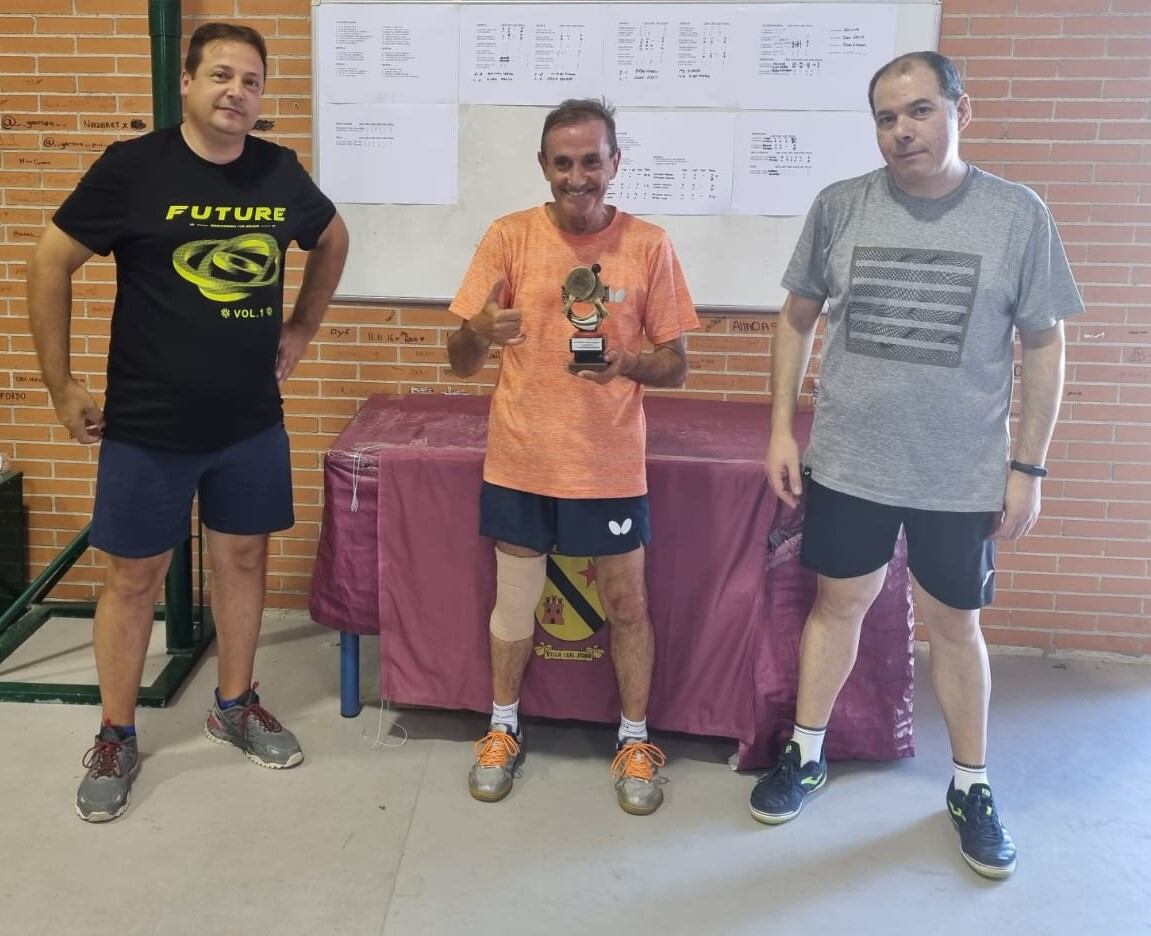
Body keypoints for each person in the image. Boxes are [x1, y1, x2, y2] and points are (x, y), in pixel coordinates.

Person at [750, 51, 1082, 878]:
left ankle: (969, 786)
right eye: (887, 118)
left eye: (920, 112)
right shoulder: (841, 207)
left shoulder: (1016, 215)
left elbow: (1044, 342)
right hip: (850, 461)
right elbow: (794, 319)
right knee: (837, 606)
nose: (902, 131)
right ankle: (805, 752)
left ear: (959, 112)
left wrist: (1027, 467)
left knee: (953, 624)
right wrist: (782, 431)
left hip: (959, 471)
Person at [26, 22, 349, 822]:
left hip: (249, 421)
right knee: (132, 579)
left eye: (251, 81)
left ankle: (234, 705)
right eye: (221, 76)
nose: (237, 92)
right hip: (147, 424)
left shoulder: (279, 171)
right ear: (188, 83)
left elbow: (332, 236)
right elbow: (48, 262)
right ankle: (116, 732)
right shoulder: (133, 169)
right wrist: (61, 385)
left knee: (243, 564)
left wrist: (303, 326)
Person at [447, 98, 698, 815]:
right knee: (515, 604)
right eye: (564, 162)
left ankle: (634, 738)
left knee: (626, 605)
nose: (578, 175)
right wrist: (480, 334)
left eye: (592, 160)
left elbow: (676, 365)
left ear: (614, 162)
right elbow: (459, 360)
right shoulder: (507, 237)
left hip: (610, 465)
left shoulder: (648, 245)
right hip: (520, 458)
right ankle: (501, 728)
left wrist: (624, 361)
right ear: (544, 167)